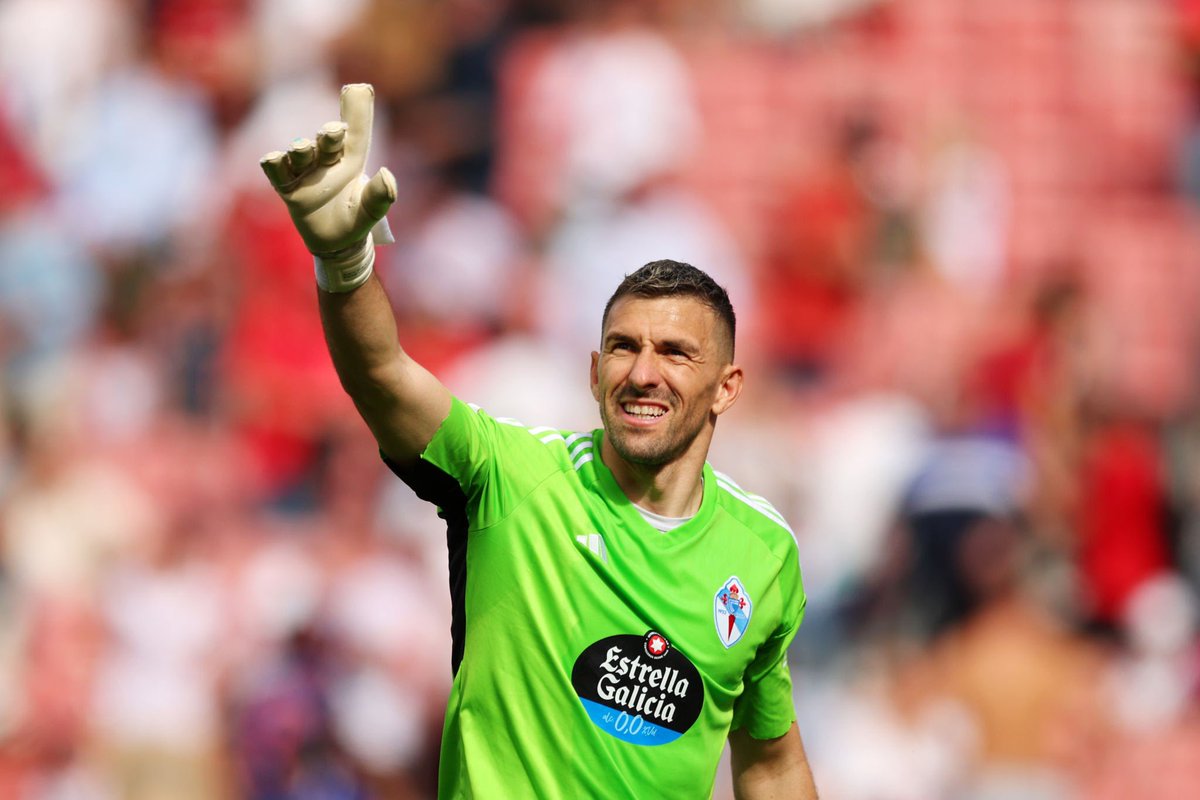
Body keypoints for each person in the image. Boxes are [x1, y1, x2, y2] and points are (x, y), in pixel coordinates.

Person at [260, 83, 818, 800]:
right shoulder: (513, 475)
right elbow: (382, 375)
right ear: (593, 371)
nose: (643, 373)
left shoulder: (763, 552)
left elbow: (770, 760)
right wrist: (345, 265)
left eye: (675, 353)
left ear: (728, 387)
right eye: (623, 348)